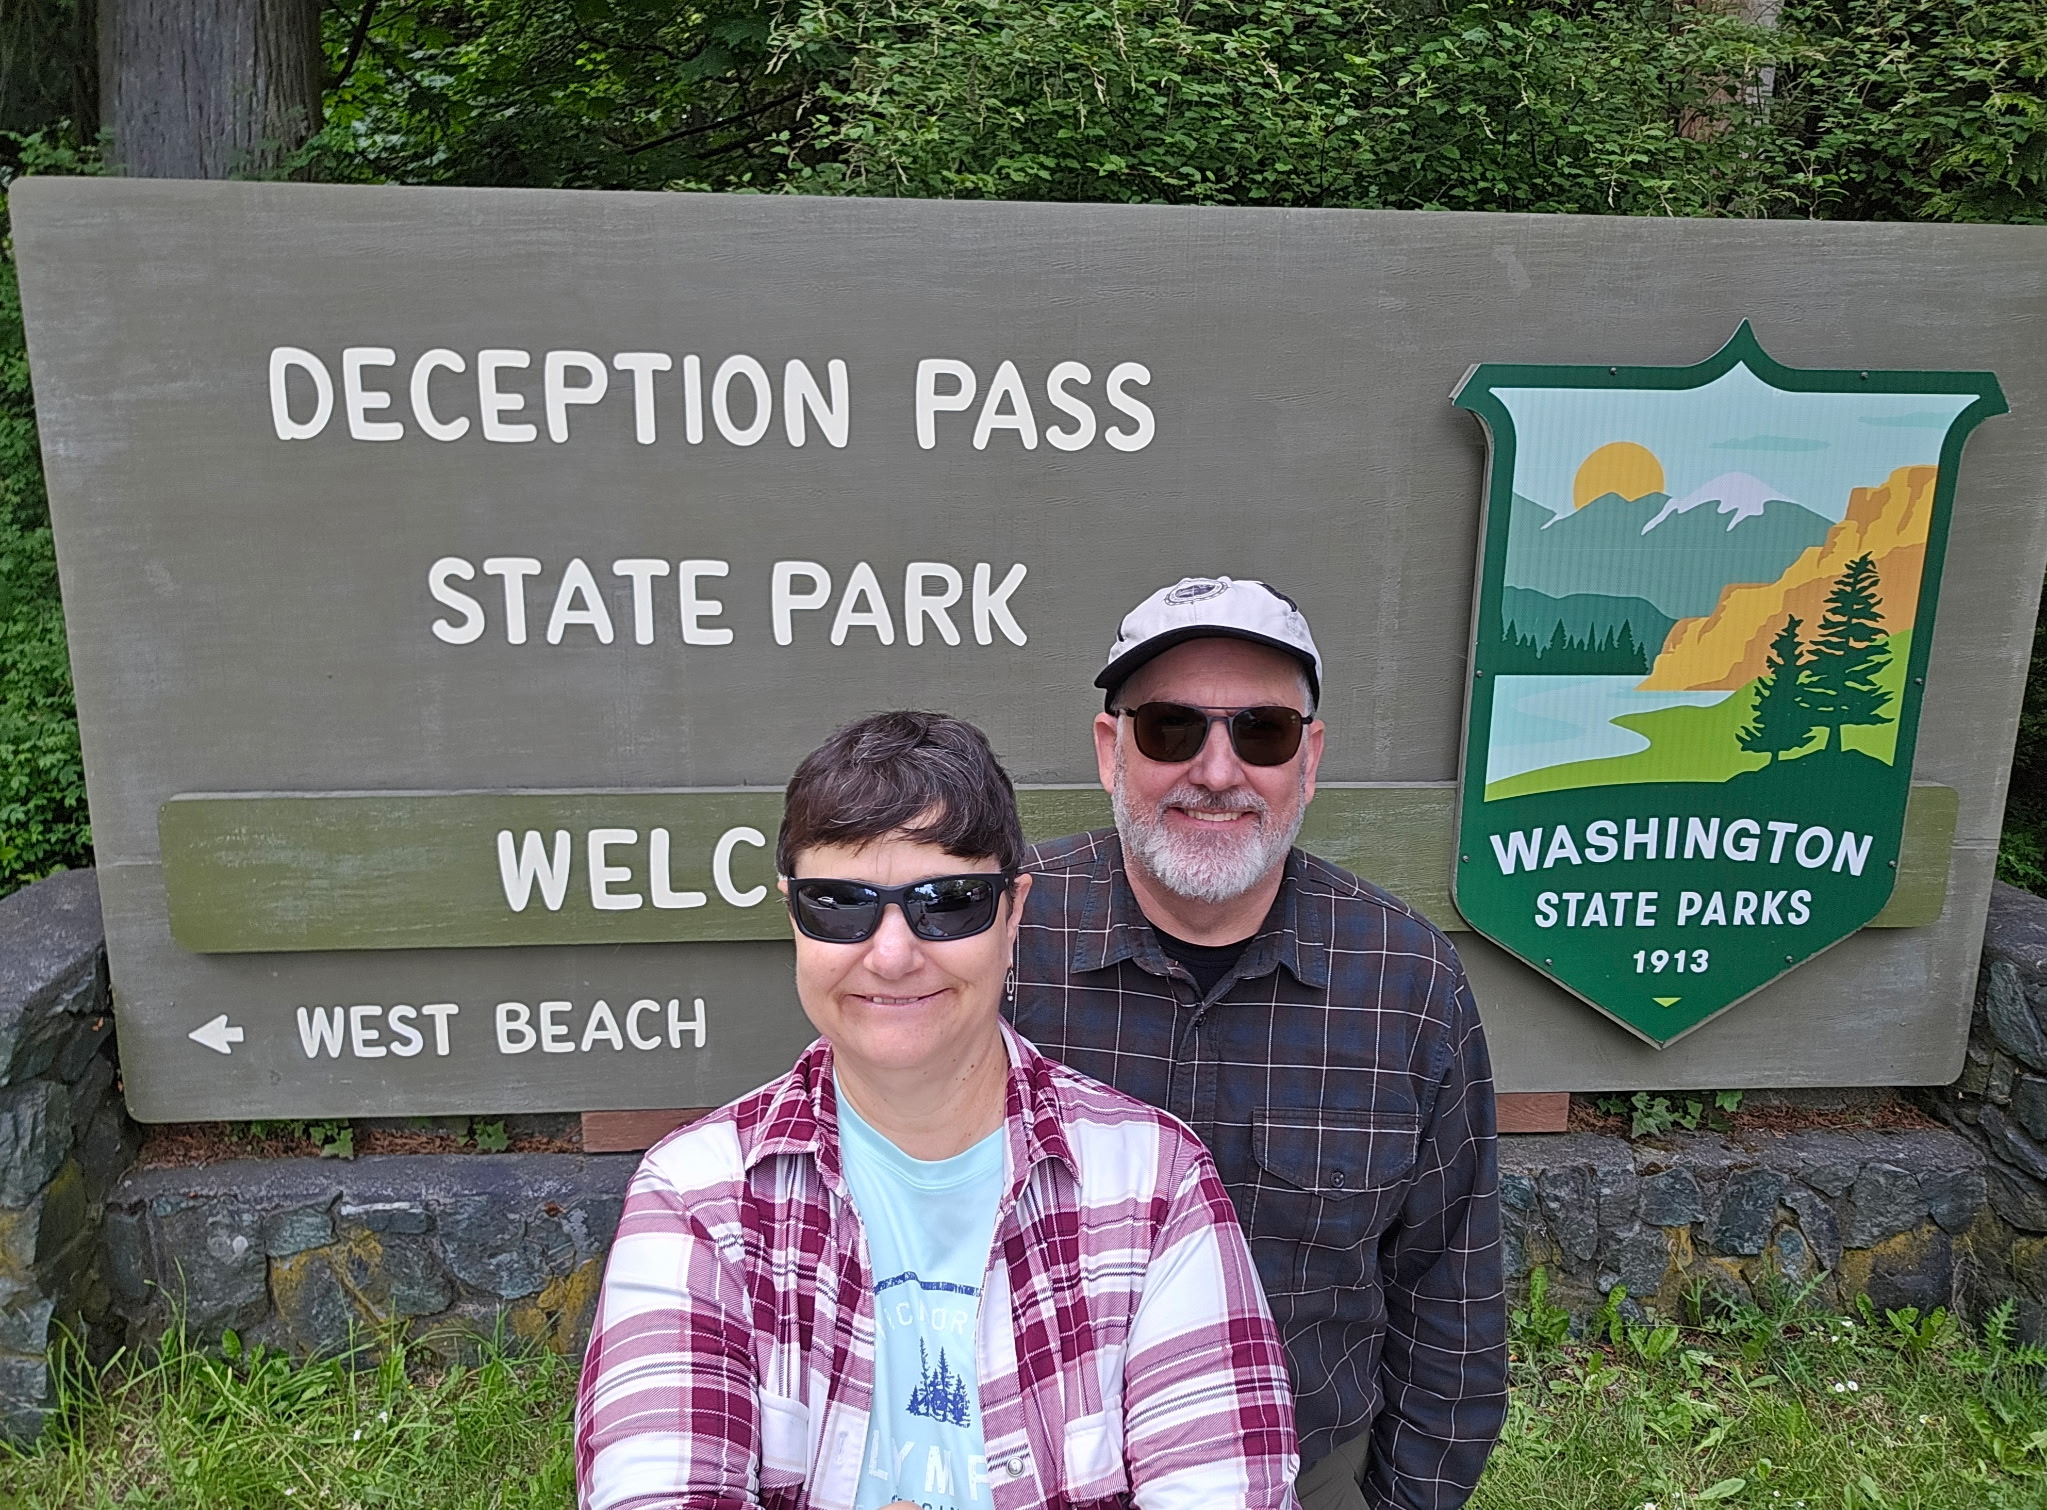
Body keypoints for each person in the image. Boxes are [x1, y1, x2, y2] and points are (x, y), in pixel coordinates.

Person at [577, 710, 1301, 1510]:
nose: (890, 953)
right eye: (838, 903)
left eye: (948, 902)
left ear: (1013, 910)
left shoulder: (1153, 1184)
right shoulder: (696, 1196)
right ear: (791, 913)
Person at [1007, 578, 1506, 1510]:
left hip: (1302, 1469)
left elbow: (1451, 1301)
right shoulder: (997, 945)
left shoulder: (1406, 983)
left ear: (1307, 760)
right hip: (1030, 1473)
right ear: (1111, 748)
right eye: (1170, 729)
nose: (1217, 770)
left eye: (1262, 732)